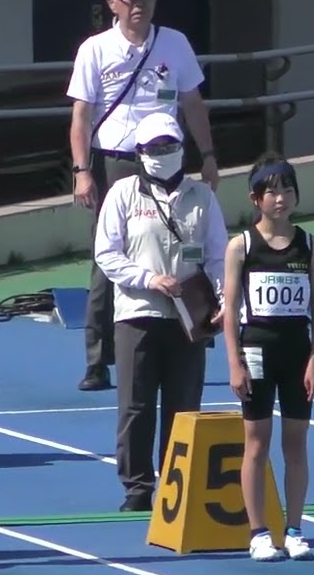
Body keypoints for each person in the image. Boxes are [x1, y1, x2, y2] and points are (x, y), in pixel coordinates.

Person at [67, 0, 219, 392]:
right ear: (113, 4)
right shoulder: (95, 49)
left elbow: (192, 103)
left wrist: (207, 156)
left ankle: (194, 331)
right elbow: (80, 117)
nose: (138, 6)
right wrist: (82, 171)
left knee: (182, 247)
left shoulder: (175, 43)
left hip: (168, 155)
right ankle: (98, 359)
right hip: (114, 161)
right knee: (107, 257)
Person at [94, 112, 227, 512]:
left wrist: (221, 302)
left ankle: (178, 481)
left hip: (188, 319)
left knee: (184, 404)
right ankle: (137, 487)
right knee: (135, 405)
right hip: (138, 313)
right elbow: (106, 253)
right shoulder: (122, 193)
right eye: (153, 148)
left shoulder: (202, 197)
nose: (162, 154)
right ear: (140, 153)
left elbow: (218, 256)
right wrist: (148, 279)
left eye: (169, 146)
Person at [222, 154, 314, 562]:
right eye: (271, 192)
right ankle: (259, 532)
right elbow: (230, 309)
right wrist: (234, 363)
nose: (280, 199)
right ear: (255, 199)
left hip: (297, 352)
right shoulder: (241, 246)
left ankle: (295, 528)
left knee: (296, 443)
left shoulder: (310, 245)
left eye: (287, 190)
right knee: (256, 442)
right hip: (256, 351)